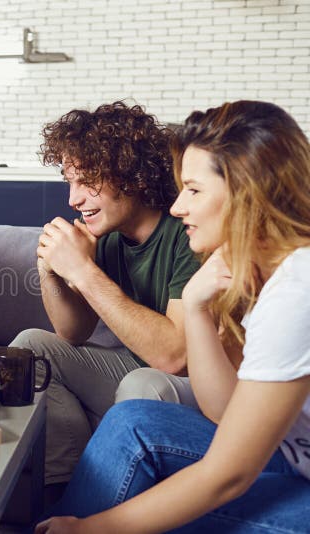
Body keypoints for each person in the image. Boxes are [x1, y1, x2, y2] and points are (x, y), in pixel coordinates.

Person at [38, 100, 310, 533]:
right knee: (133, 423)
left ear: (248, 194)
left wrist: (92, 529)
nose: (179, 206)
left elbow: (229, 474)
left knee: (150, 499)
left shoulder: (297, 289)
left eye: (194, 191)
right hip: (289, 459)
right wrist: (197, 305)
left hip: (282, 472)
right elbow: (225, 413)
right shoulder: (259, 275)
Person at [10, 101, 201, 494]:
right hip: (134, 370)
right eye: (69, 182)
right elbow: (73, 332)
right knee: (31, 348)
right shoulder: (109, 237)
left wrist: (83, 270)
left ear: (132, 174)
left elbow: (175, 357)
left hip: (193, 384)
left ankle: (105, 507)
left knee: (142, 384)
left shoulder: (189, 231)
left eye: (86, 182)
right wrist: (51, 269)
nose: (73, 199)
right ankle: (64, 486)